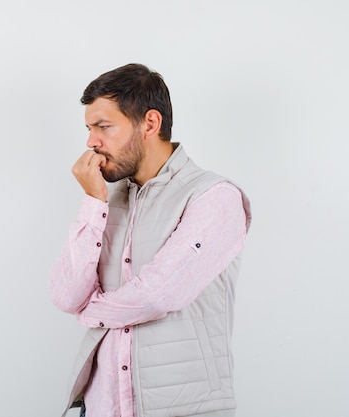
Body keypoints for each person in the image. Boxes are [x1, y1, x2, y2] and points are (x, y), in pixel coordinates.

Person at [49, 63, 252, 417]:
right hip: (102, 407)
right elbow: (66, 296)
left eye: (104, 127)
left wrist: (91, 311)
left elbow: (158, 294)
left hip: (179, 409)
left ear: (150, 124)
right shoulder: (105, 199)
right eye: (88, 128)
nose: (90, 142)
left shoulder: (213, 198)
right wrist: (93, 203)